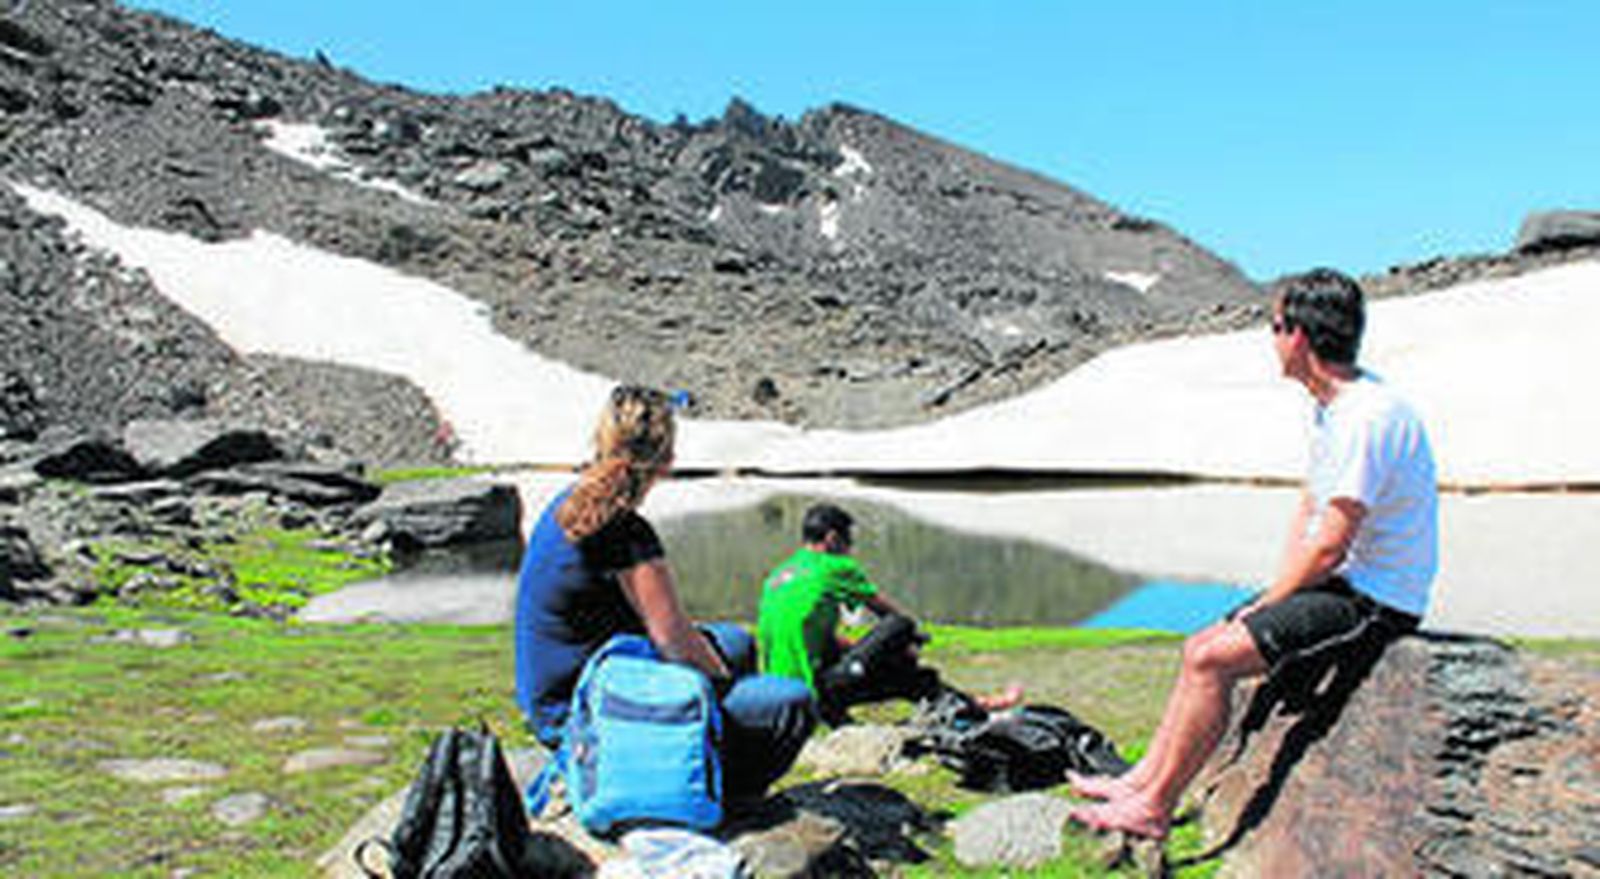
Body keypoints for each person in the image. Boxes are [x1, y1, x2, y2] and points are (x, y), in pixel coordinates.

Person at [1068, 268, 1439, 839]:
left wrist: (1271, 601)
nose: (1271, 340)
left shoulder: (1367, 417)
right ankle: (1140, 779)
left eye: (1274, 326)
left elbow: (1331, 543)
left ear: (1299, 337)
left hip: (1376, 600)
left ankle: (1154, 808)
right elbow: (1309, 512)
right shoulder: (1334, 408)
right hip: (1345, 582)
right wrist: (1271, 598)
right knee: (1200, 644)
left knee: (1210, 661)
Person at [513, 384, 816, 799]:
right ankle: (724, 792)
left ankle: (708, 745)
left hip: (551, 699)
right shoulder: (624, 531)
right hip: (583, 712)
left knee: (738, 642)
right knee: (793, 702)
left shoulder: (569, 503)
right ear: (665, 461)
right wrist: (722, 683)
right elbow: (674, 642)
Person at [756, 502, 1021, 726]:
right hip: (815, 693)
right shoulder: (834, 566)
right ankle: (980, 708)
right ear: (832, 539)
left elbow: (809, 637)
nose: (851, 547)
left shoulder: (780, 574)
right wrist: (909, 642)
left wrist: (871, 652)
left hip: (780, 692)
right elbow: (887, 612)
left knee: (911, 679)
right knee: (901, 626)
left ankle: (977, 705)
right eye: (848, 540)